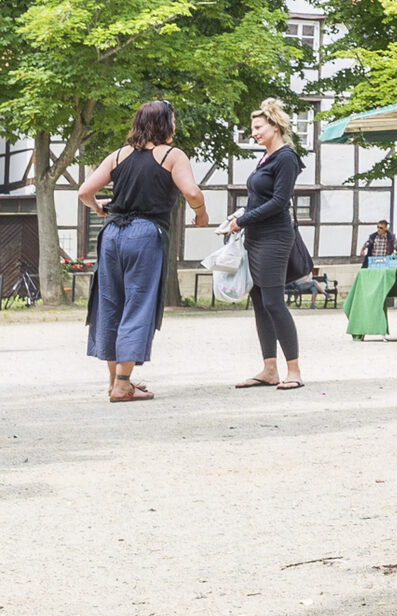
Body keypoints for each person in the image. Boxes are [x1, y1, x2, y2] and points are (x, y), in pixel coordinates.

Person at [80, 100, 211, 401]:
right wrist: (201, 215)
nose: (175, 125)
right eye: (173, 120)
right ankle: (124, 385)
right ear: (166, 124)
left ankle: (116, 381)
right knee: (138, 304)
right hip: (145, 233)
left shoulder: (118, 155)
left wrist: (98, 207)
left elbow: (84, 191)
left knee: (110, 304)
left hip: (112, 233)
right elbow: (191, 191)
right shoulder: (172, 155)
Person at [223, 98, 309, 391]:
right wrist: (240, 216)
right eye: (253, 129)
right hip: (257, 238)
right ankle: (269, 369)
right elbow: (260, 198)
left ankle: (294, 370)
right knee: (260, 301)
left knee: (274, 301)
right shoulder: (265, 158)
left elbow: (279, 202)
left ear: (275, 126)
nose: (254, 133)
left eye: (259, 127)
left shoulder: (285, 157)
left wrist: (243, 220)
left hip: (275, 237)